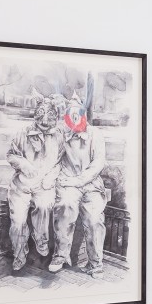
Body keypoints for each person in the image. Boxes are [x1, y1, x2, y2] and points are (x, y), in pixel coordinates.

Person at [51, 91, 110, 275]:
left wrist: (79, 180)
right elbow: (54, 159)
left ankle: (95, 263)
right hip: (68, 182)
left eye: (78, 114)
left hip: (91, 185)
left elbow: (98, 164)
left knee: (94, 219)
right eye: (71, 115)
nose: (75, 118)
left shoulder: (95, 134)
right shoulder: (62, 134)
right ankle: (60, 255)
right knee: (65, 206)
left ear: (84, 115)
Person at [6, 95, 64, 271]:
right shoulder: (22, 133)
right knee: (17, 221)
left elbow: (59, 162)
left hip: (44, 185)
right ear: (35, 116)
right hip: (21, 185)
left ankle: (41, 240)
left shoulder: (59, 136)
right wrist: (24, 164)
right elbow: (11, 155)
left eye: (49, 119)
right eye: (41, 118)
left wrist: (51, 177)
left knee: (45, 206)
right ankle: (19, 254)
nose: (45, 123)